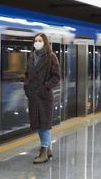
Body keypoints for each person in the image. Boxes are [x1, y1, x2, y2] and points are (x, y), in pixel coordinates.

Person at [24, 33, 60, 164]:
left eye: (40, 40)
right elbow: (27, 74)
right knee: (38, 124)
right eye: (35, 40)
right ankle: (48, 148)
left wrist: (46, 87)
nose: (37, 42)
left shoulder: (51, 57)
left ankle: (43, 151)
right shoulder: (31, 57)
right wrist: (26, 87)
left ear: (45, 42)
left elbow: (56, 76)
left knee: (45, 123)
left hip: (44, 96)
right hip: (33, 95)